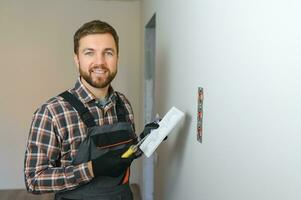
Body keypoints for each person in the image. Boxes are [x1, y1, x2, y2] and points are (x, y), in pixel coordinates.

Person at [24, 20, 158, 200]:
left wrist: (146, 140)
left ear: (117, 57)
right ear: (76, 59)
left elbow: (123, 157)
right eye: (89, 53)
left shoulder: (123, 103)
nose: (100, 62)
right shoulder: (52, 112)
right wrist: (91, 169)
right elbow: (34, 180)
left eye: (108, 53)